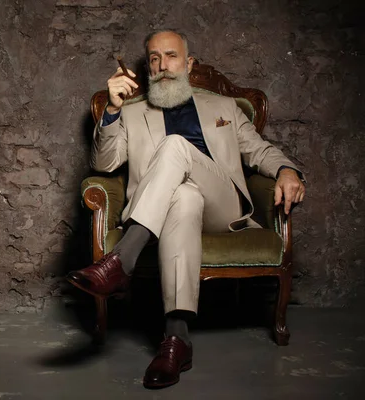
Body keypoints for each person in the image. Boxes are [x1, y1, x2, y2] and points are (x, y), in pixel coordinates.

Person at [67, 30, 306, 389]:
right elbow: (104, 164)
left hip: (223, 209)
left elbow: (259, 151)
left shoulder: (225, 108)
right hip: (169, 210)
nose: (163, 66)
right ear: (148, 67)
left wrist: (287, 169)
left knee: (176, 145)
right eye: (154, 59)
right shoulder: (131, 112)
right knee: (184, 197)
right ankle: (177, 341)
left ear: (188, 63)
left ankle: (122, 260)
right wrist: (114, 110)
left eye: (171, 56)